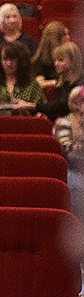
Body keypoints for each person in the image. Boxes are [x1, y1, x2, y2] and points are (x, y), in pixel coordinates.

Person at [0, 40, 47, 114]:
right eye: (5, 59)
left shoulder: (33, 86)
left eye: (12, 59)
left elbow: (42, 110)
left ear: (21, 61)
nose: (9, 64)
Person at [54, 85, 84, 215]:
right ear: (77, 104)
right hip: (73, 168)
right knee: (77, 183)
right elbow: (69, 154)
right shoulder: (63, 124)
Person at [41, 42, 84, 122]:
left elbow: (64, 106)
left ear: (73, 61)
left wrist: (35, 106)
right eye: (55, 60)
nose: (56, 64)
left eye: (60, 60)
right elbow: (57, 109)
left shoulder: (80, 83)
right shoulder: (61, 82)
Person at [33, 20, 71, 87]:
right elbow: (40, 83)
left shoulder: (72, 53)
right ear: (55, 39)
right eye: (65, 35)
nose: (69, 37)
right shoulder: (41, 59)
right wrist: (58, 82)